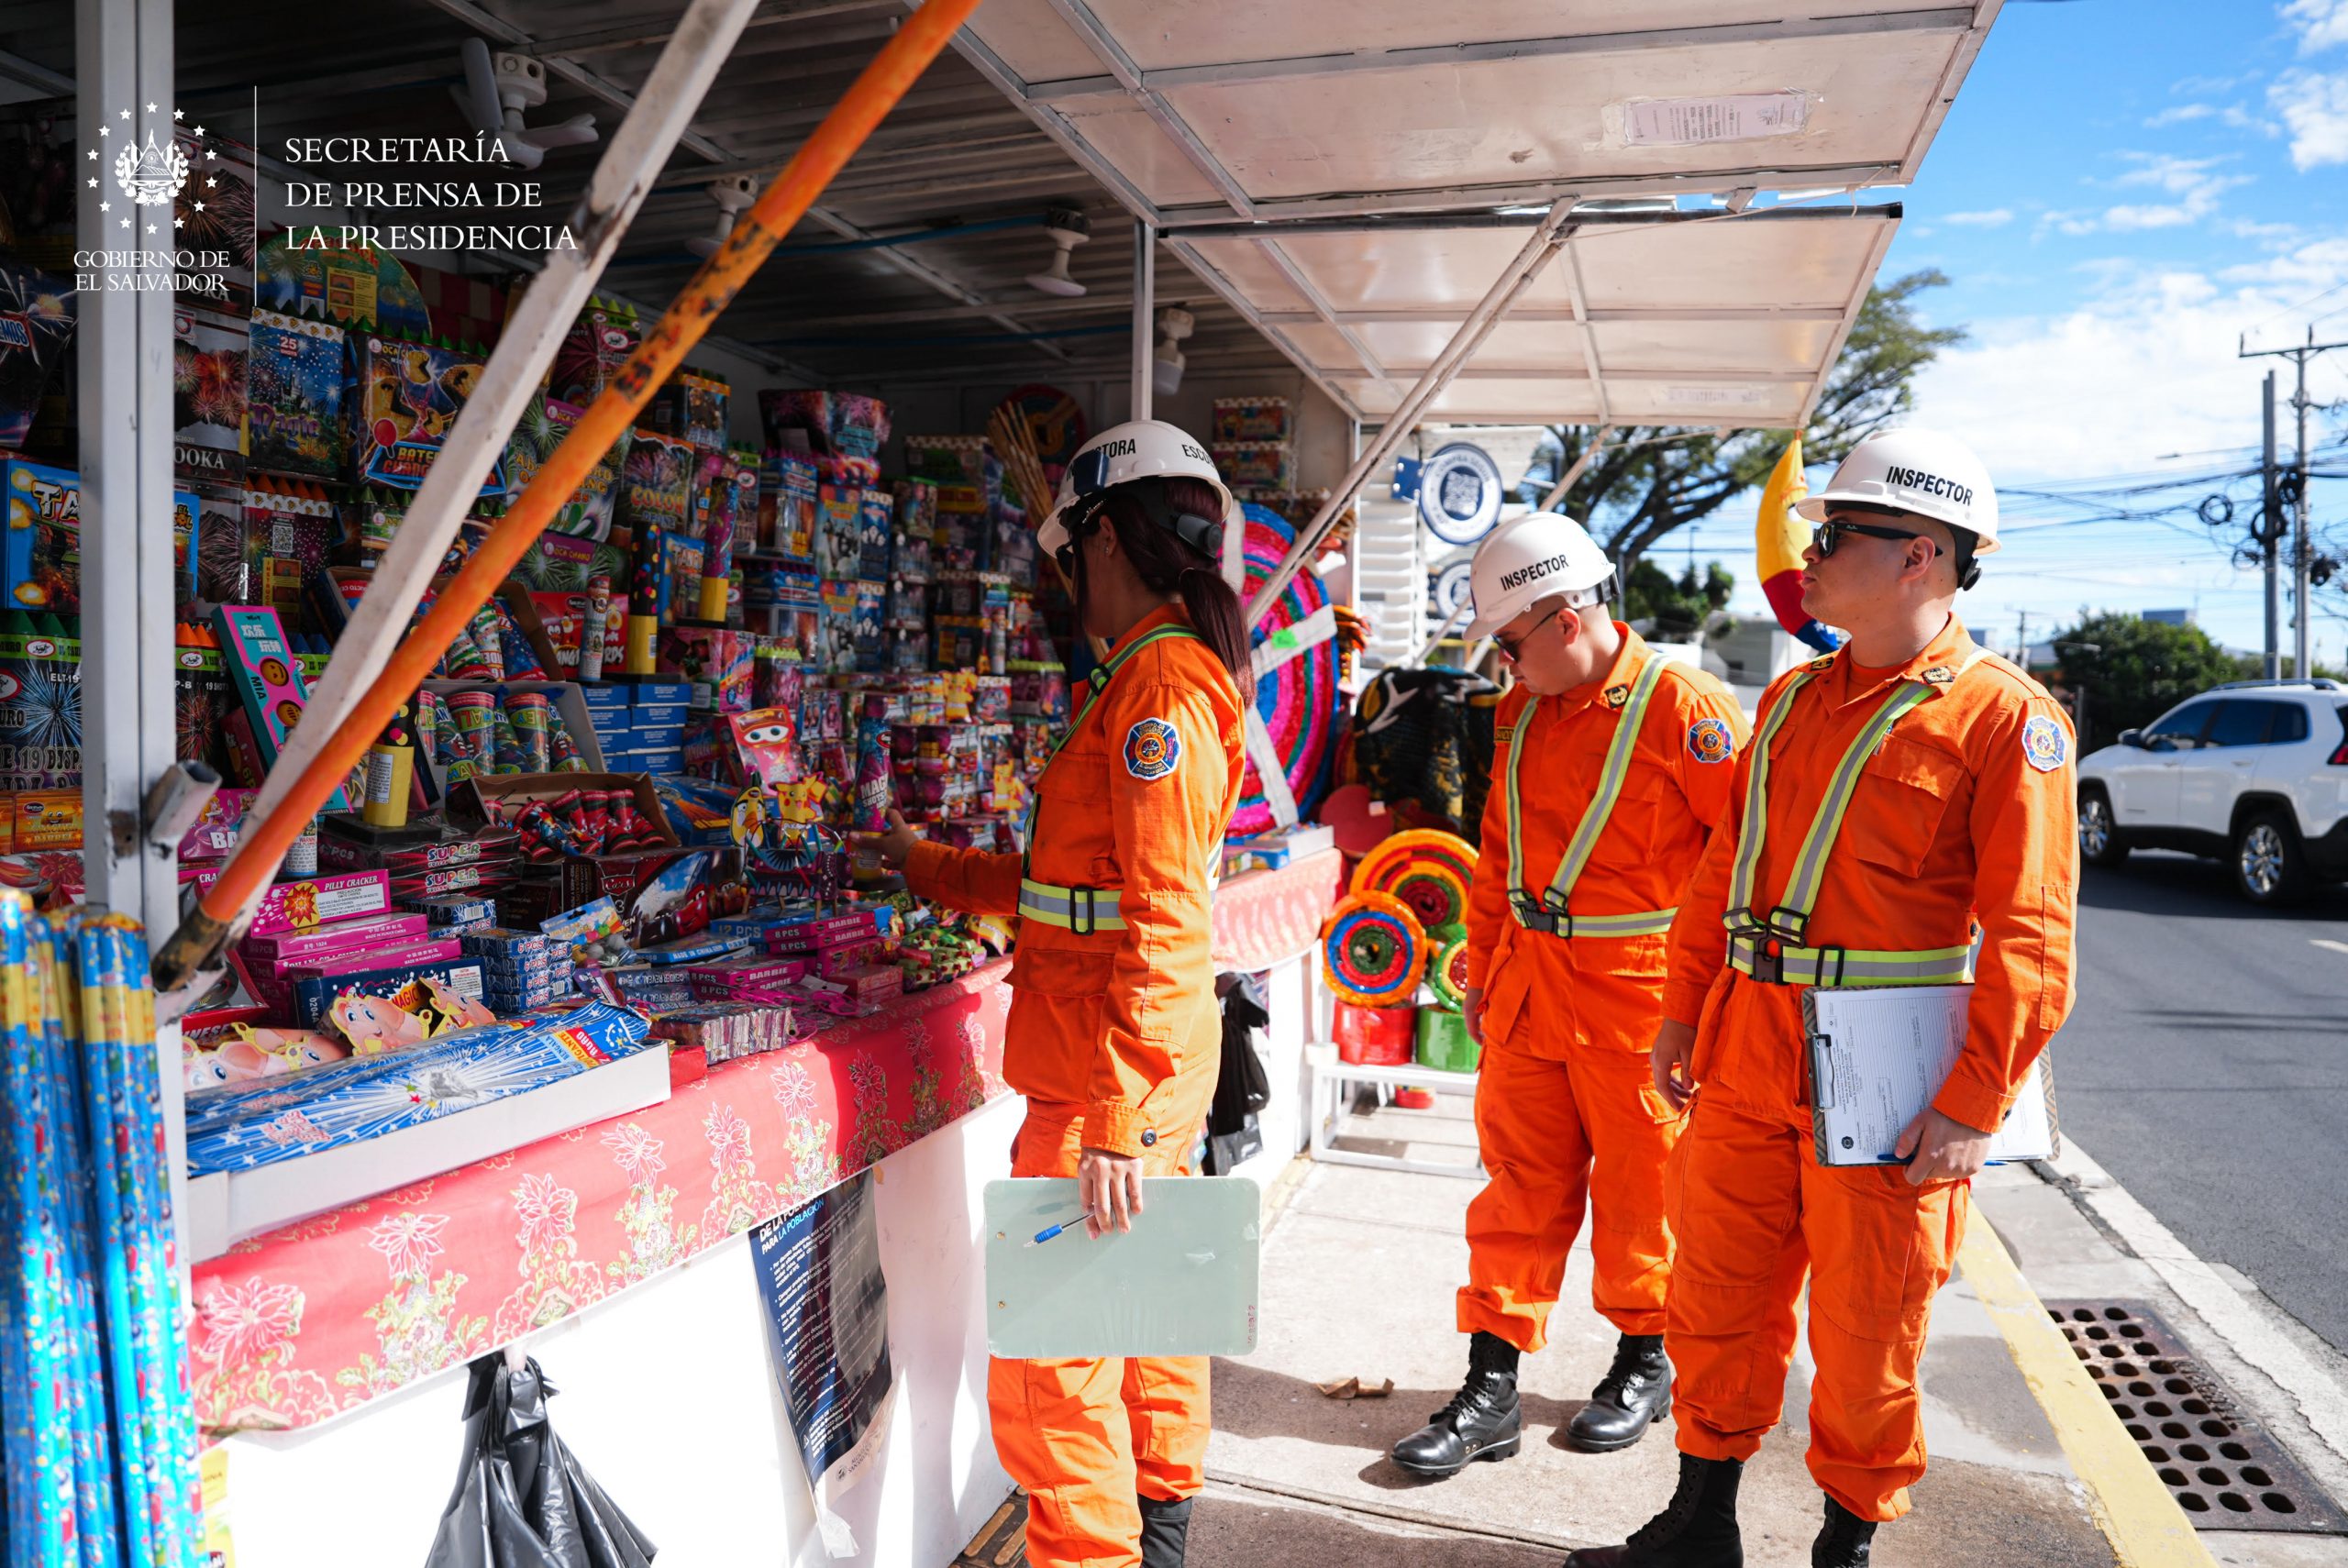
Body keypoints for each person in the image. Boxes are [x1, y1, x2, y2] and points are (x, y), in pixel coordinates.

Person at [1567, 429, 2078, 1568]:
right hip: (1749, 1045)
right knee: (1716, 1294)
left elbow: (2033, 940)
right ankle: (1701, 1524)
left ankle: (1844, 1546)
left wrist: (1973, 1102)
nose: (1810, 554)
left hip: (1889, 1070)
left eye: (1836, 534)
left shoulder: (2006, 719)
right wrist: (1681, 1010)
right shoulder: (1797, 697)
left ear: (1921, 556)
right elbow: (1726, 869)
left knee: (1867, 1326)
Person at [865, 420, 1248, 1568]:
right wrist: (927, 867)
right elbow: (1075, 889)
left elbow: (1165, 917)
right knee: (1147, 1316)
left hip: (1104, 1072)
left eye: (1070, 556)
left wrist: (1115, 1117)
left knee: (1054, 1365)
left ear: (1106, 539)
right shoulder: (1158, 675)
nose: (1067, 582)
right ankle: (1160, 1538)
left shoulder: (1156, 693)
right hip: (1134, 1060)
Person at [1389, 512, 1749, 1479]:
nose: (1501, 666)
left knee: (1644, 1199)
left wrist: (1708, 1010)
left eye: (1508, 644)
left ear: (1563, 618)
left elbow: (1742, 867)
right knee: (1516, 1192)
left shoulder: (1686, 709)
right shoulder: (1521, 711)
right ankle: (1490, 1389)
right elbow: (1498, 852)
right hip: (1528, 995)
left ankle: (1645, 1361)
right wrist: (1483, 963)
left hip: (1640, 1006)